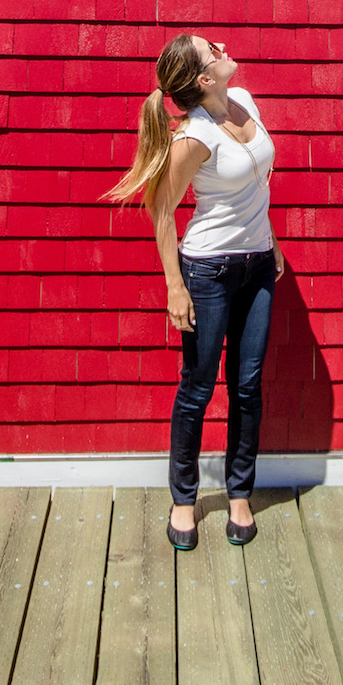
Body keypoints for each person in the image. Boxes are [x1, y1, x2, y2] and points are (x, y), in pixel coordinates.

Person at [106, 32, 284, 550]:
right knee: (199, 389)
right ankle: (184, 500)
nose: (223, 47)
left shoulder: (243, 101)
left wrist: (267, 239)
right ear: (204, 79)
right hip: (208, 273)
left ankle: (238, 495)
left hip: (257, 267)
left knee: (247, 387)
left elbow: (257, 181)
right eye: (213, 49)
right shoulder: (194, 138)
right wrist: (174, 286)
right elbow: (161, 209)